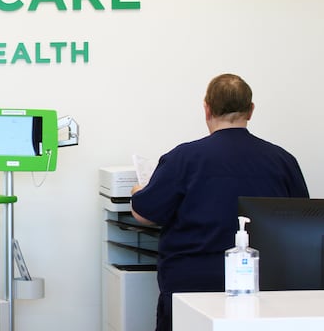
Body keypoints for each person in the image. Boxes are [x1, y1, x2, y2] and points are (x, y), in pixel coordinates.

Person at [130, 73, 309, 331]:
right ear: (250, 110)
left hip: (191, 290)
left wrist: (138, 191)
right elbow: (301, 221)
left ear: (207, 108)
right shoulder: (282, 160)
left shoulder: (184, 158)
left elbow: (146, 213)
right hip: (263, 292)